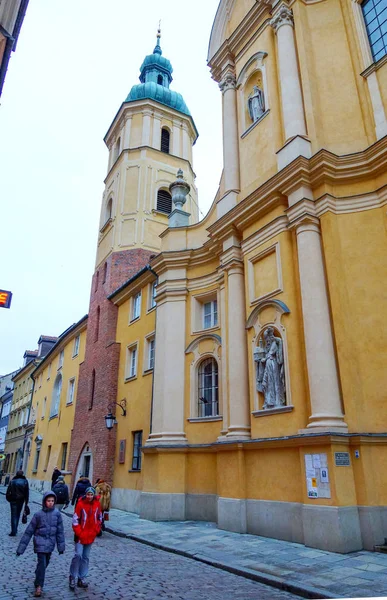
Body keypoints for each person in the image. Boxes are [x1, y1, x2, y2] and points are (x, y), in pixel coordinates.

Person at [16, 491, 65, 598]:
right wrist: (20, 549)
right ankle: (39, 586)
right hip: (39, 543)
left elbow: (60, 531)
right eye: (48, 501)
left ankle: (38, 575)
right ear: (44, 501)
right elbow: (28, 532)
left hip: (50, 544)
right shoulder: (38, 515)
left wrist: (61, 547)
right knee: (42, 564)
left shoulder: (57, 514)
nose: (51, 503)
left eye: (52, 501)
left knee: (44, 564)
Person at [69, 487, 102, 590]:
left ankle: (82, 577)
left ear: (93, 495)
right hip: (81, 536)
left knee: (86, 557)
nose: (89, 496)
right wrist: (80, 532)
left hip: (90, 535)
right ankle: (72, 576)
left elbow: (99, 518)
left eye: (91, 494)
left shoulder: (97, 504)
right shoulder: (80, 504)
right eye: (88, 494)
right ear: (85, 495)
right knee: (77, 555)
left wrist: (96, 530)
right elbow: (75, 521)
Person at [6, 469, 29, 536]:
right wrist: (26, 502)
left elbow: (8, 492)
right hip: (21, 500)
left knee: (13, 515)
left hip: (13, 500)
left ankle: (13, 530)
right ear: (22, 474)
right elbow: (26, 493)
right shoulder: (25, 481)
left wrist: (9, 499)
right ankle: (15, 529)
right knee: (18, 514)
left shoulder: (12, 481)